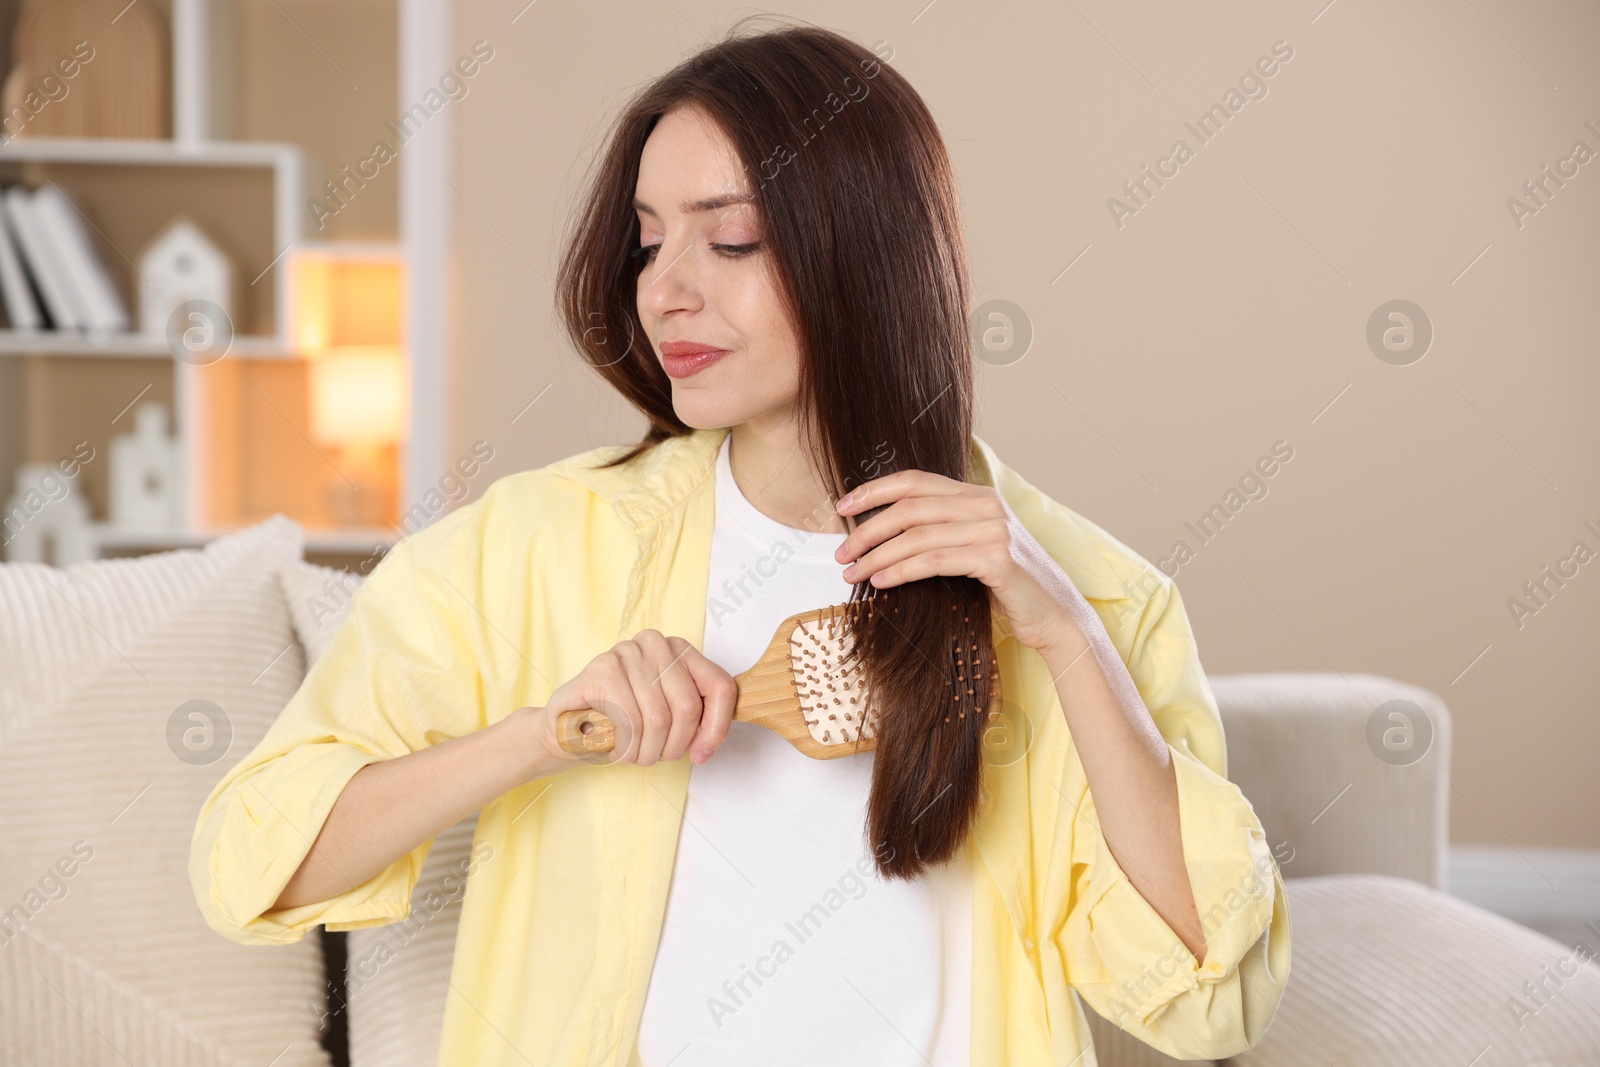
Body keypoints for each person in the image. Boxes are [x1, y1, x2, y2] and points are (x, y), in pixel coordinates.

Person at [190, 17, 1289, 1066]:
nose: (665, 290)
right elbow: (254, 860)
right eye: (648, 240)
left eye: (729, 238)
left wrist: (1059, 633)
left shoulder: (1094, 597)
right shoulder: (527, 548)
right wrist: (545, 734)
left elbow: (1210, 984)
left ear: (866, 253)